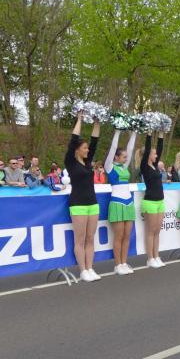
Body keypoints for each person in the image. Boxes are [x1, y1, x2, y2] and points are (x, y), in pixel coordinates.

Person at [65, 112, 101, 282]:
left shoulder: (87, 162)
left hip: (93, 203)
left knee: (90, 238)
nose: (87, 150)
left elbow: (95, 141)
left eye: (87, 148)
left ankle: (90, 268)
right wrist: (79, 119)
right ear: (77, 150)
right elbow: (73, 139)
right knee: (80, 239)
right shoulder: (70, 162)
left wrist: (97, 122)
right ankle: (83, 270)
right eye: (84, 148)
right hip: (78, 204)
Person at [104, 128, 138, 275]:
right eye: (123, 157)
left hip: (129, 203)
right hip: (117, 203)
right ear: (116, 157)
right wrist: (117, 132)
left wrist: (135, 132)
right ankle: (117, 265)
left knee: (127, 236)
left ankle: (124, 262)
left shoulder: (124, 167)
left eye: (126, 157)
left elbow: (130, 149)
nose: (126, 159)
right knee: (118, 236)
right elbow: (112, 148)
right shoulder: (109, 167)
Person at [139, 132, 166, 268]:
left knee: (157, 231)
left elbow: (160, 148)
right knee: (151, 231)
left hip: (160, 201)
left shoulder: (155, 166)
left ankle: (156, 256)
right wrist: (149, 134)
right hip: (150, 202)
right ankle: (150, 258)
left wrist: (161, 133)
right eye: (154, 154)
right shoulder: (144, 166)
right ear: (148, 155)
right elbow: (148, 148)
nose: (156, 156)